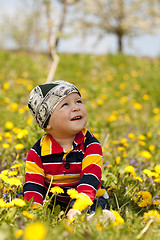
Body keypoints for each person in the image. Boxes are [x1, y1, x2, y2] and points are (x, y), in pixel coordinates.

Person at [23, 80, 115, 222]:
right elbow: (34, 183)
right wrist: (34, 211)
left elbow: (90, 178)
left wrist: (77, 206)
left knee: (97, 204)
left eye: (78, 101)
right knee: (26, 196)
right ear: (47, 122)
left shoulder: (90, 144)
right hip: (53, 199)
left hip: (86, 196)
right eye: (65, 104)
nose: (76, 108)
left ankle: (94, 219)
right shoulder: (37, 152)